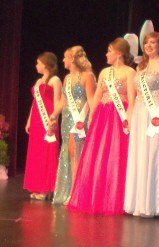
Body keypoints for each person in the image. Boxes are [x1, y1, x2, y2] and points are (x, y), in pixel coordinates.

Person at [67, 38, 136, 214]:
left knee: (115, 156)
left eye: (109, 50)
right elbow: (97, 96)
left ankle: (113, 199)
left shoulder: (130, 72)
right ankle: (95, 196)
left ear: (118, 53)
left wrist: (129, 118)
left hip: (119, 117)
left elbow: (131, 97)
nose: (106, 54)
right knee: (98, 156)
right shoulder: (105, 72)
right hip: (103, 117)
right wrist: (91, 117)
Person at [124, 32, 159, 217]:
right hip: (140, 115)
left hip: (158, 114)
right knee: (141, 155)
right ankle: (140, 202)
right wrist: (129, 118)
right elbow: (135, 96)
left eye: (152, 43)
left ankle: (157, 203)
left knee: (155, 154)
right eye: (146, 43)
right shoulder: (140, 67)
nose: (148, 46)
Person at [52, 46, 96, 204]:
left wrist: (93, 119)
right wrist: (53, 116)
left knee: (75, 153)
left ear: (72, 59)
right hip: (67, 119)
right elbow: (63, 100)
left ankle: (75, 193)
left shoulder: (87, 76)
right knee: (69, 153)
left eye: (65, 57)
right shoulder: (67, 78)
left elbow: (91, 99)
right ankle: (69, 190)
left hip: (79, 120)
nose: (63, 60)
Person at [24, 52, 62, 200]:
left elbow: (58, 101)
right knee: (37, 152)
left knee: (48, 151)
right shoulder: (39, 81)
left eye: (38, 62)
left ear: (45, 64)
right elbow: (35, 103)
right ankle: (37, 186)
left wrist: (54, 120)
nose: (36, 65)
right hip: (36, 120)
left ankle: (46, 189)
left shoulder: (55, 80)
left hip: (48, 120)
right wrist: (28, 121)